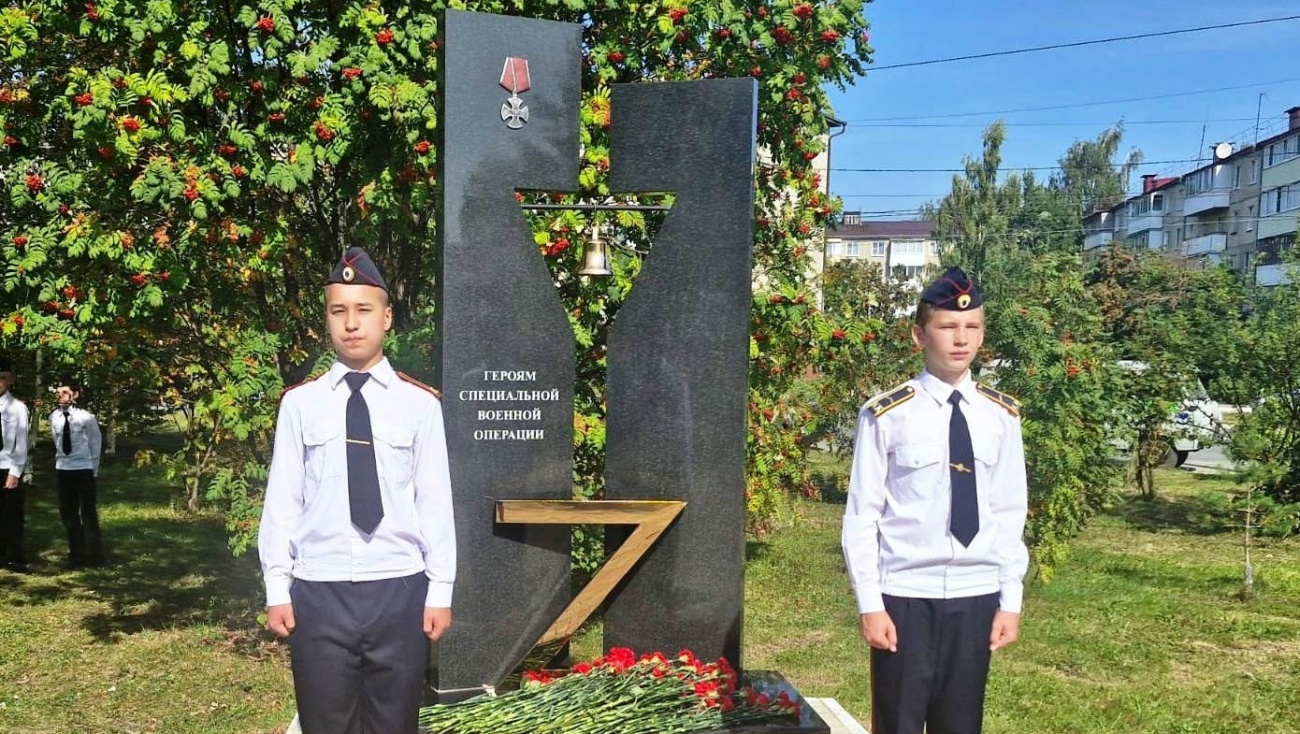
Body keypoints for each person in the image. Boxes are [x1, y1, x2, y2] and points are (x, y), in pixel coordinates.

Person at [257, 247, 456, 734]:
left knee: (394, 721)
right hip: (319, 593)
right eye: (338, 310)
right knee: (326, 721)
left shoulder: (419, 406)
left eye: (363, 310)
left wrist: (441, 589)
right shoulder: (301, 405)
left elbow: (435, 501)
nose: (351, 324)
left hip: (399, 588)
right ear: (326, 318)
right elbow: (283, 500)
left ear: (386, 317)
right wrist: (277, 587)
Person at [841, 266, 1029, 734]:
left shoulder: (1000, 416)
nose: (961, 338)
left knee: (961, 724)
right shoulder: (887, 415)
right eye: (947, 326)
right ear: (919, 335)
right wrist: (870, 602)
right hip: (905, 597)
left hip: (975, 595)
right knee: (898, 721)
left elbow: (1009, 511)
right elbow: (862, 515)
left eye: (972, 326)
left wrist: (1011, 598)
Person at [51, 376, 105, 568]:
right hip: (63, 470)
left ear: (75, 395)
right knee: (69, 513)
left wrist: (93, 470)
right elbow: (57, 444)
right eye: (58, 393)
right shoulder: (54, 417)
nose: (61, 397)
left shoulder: (86, 418)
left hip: (83, 469)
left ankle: (94, 556)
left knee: (88, 513)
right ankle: (77, 555)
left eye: (65, 393)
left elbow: (95, 444)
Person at [0, 358, 31, 572]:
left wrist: (15, 472)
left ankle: (13, 557)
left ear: (10, 381)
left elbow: (22, 442)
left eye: (2, 378)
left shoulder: (18, 407)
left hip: (6, 467)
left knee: (11, 515)